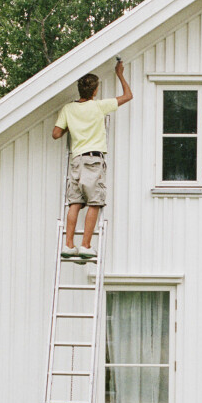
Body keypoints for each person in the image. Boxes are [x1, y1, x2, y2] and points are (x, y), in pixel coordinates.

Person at [52, 59, 133, 258]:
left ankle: (68, 245)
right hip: (93, 160)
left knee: (75, 203)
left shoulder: (68, 109)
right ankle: (86, 245)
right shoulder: (99, 106)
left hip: (77, 160)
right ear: (95, 91)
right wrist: (120, 74)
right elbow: (128, 96)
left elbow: (55, 134)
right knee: (95, 202)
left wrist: (71, 125)